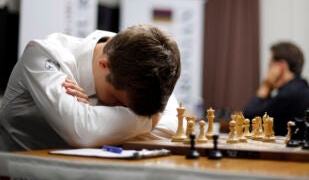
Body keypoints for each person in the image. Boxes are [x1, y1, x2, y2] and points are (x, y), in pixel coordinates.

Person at [0, 24, 181, 151]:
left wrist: (94, 114)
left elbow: (172, 127)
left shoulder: (136, 59)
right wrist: (150, 120)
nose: (120, 109)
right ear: (104, 65)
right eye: (118, 102)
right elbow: (82, 131)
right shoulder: (43, 53)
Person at [243, 41, 309, 136]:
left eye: (270, 66)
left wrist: (266, 86)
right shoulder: (298, 87)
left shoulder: (290, 93)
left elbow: (248, 117)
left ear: (281, 66)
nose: (268, 71)